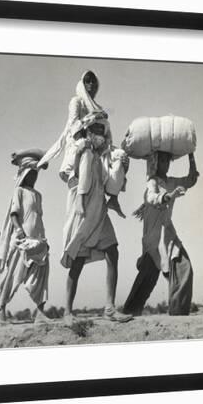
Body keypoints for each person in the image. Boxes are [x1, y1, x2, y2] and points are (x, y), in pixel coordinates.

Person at [61, 122, 133, 324]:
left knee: (112, 251)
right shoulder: (83, 151)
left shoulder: (101, 157)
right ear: (89, 133)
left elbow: (110, 184)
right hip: (84, 210)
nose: (101, 135)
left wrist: (122, 166)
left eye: (103, 131)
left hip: (99, 210)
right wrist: (81, 204)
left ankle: (110, 307)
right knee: (78, 259)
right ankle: (67, 312)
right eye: (97, 131)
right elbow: (76, 178)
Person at [38, 70, 126, 218]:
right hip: (79, 145)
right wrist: (94, 118)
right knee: (86, 150)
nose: (91, 84)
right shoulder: (77, 102)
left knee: (122, 156)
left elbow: (107, 134)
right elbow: (74, 127)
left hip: (99, 147)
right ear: (82, 83)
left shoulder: (98, 107)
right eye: (87, 80)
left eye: (93, 81)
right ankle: (80, 197)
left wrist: (109, 146)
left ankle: (114, 197)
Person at [123, 152, 199, 316]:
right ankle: (129, 312)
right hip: (153, 238)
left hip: (168, 235)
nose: (166, 164)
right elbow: (152, 198)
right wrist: (170, 196)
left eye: (167, 160)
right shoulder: (152, 182)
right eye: (162, 160)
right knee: (147, 279)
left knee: (184, 268)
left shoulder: (171, 181)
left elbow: (191, 179)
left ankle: (178, 314)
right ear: (155, 163)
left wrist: (191, 156)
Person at [0, 152, 51, 325]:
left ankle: (40, 313)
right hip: (21, 240)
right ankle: (1, 309)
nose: (33, 176)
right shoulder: (18, 191)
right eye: (31, 173)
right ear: (24, 174)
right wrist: (19, 230)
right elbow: (14, 214)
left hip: (38, 239)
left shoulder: (38, 195)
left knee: (41, 275)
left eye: (36, 173)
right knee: (12, 276)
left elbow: (38, 217)